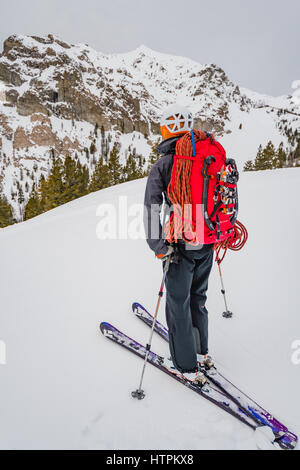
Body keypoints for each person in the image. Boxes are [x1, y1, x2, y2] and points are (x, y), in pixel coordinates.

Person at [144, 105, 215, 385]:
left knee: (177, 304)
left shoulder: (162, 165)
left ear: (167, 130)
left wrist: (158, 245)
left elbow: (152, 208)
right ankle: (200, 353)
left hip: (178, 245)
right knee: (198, 298)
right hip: (207, 240)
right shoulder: (207, 158)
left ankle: (185, 367)